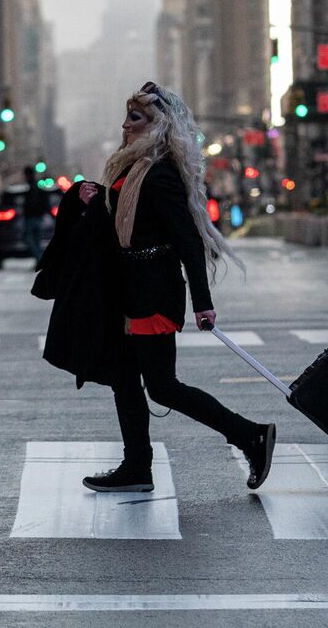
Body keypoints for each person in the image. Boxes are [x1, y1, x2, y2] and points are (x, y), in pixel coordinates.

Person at [72, 82, 277, 494]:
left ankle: (250, 436)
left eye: (135, 118)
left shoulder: (160, 173)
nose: (125, 125)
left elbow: (187, 239)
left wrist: (203, 302)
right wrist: (91, 199)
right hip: (129, 290)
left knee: (162, 386)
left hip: (153, 292)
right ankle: (137, 468)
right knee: (124, 378)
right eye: (127, 116)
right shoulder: (129, 169)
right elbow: (118, 223)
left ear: (158, 125)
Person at [19, 165, 50, 262]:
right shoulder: (36, 185)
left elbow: (32, 202)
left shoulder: (30, 186)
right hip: (36, 216)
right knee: (36, 240)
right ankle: (39, 259)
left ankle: (40, 258)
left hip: (32, 217)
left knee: (29, 238)